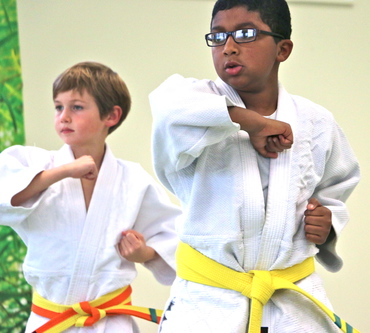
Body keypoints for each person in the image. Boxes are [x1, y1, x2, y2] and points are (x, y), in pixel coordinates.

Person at [149, 0, 360, 332]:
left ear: (283, 49)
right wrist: (248, 121)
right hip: (208, 303)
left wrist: (327, 221)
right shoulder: (191, 104)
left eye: (245, 34)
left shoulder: (316, 122)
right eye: (218, 37)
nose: (229, 48)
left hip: (292, 304)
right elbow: (166, 111)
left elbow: (336, 187)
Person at [0, 61, 181, 333]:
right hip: (51, 321)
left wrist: (143, 253)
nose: (64, 116)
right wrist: (62, 172)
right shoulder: (36, 164)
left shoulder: (132, 180)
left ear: (111, 116)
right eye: (59, 107)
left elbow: (172, 236)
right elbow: (7, 197)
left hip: (111, 323)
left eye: (77, 107)